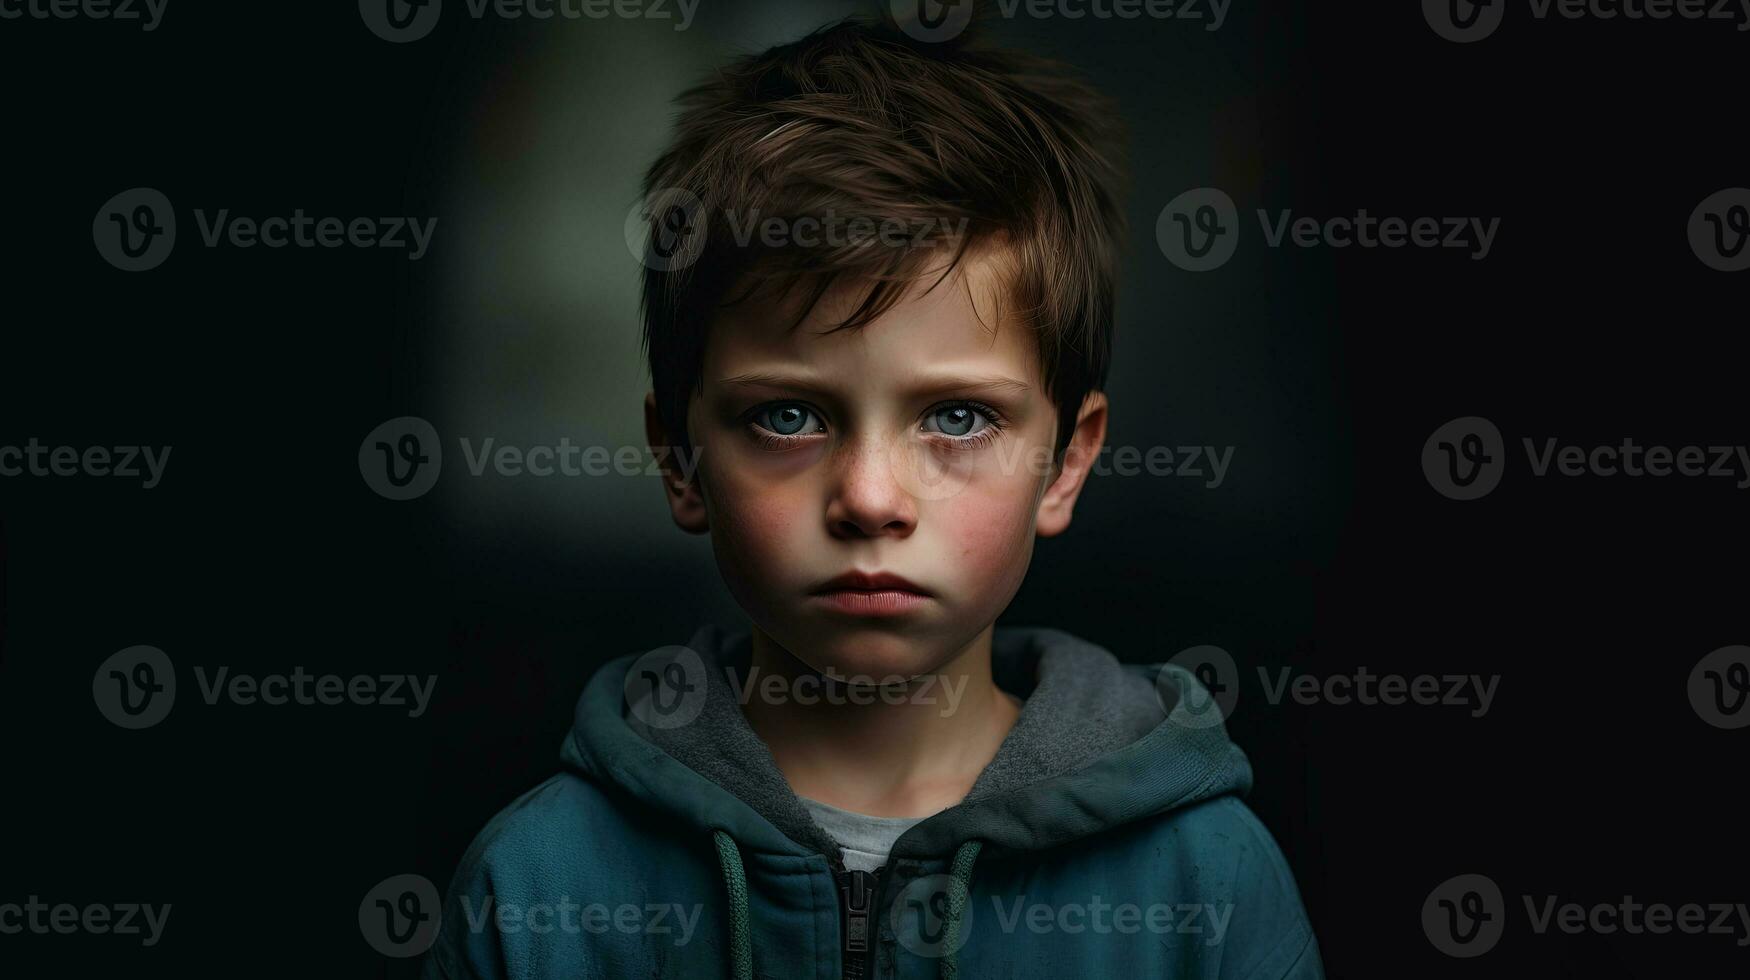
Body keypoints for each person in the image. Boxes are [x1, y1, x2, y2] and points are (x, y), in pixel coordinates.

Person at [425, 9, 1322, 979]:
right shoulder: (539, 891)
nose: (868, 496)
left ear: (1064, 462)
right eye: (788, 417)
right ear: (681, 460)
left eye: (957, 418)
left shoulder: (1202, 884)